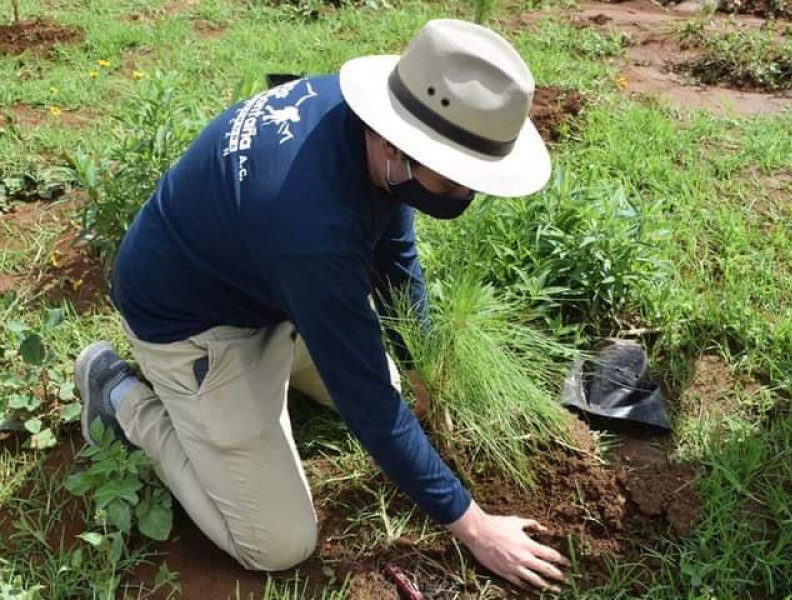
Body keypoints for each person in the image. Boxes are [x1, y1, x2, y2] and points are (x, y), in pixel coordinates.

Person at [75, 18, 570, 592]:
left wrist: (420, 367)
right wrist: (478, 529)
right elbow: (371, 409)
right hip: (192, 322)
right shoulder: (310, 227)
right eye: (456, 179)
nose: (467, 193)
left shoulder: (373, 125)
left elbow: (395, 251)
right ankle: (119, 394)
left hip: (266, 284)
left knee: (388, 382)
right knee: (277, 543)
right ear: (398, 144)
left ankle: (262, 382)